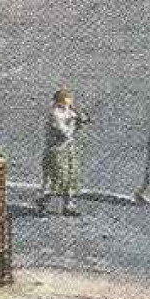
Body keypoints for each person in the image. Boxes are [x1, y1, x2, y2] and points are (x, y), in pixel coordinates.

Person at [37, 89, 88, 217]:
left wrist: (80, 123)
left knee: (71, 177)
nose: (69, 106)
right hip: (56, 151)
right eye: (66, 103)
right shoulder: (54, 114)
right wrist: (74, 122)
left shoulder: (68, 112)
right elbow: (65, 133)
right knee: (56, 178)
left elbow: (74, 132)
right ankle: (43, 203)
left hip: (68, 150)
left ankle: (68, 206)